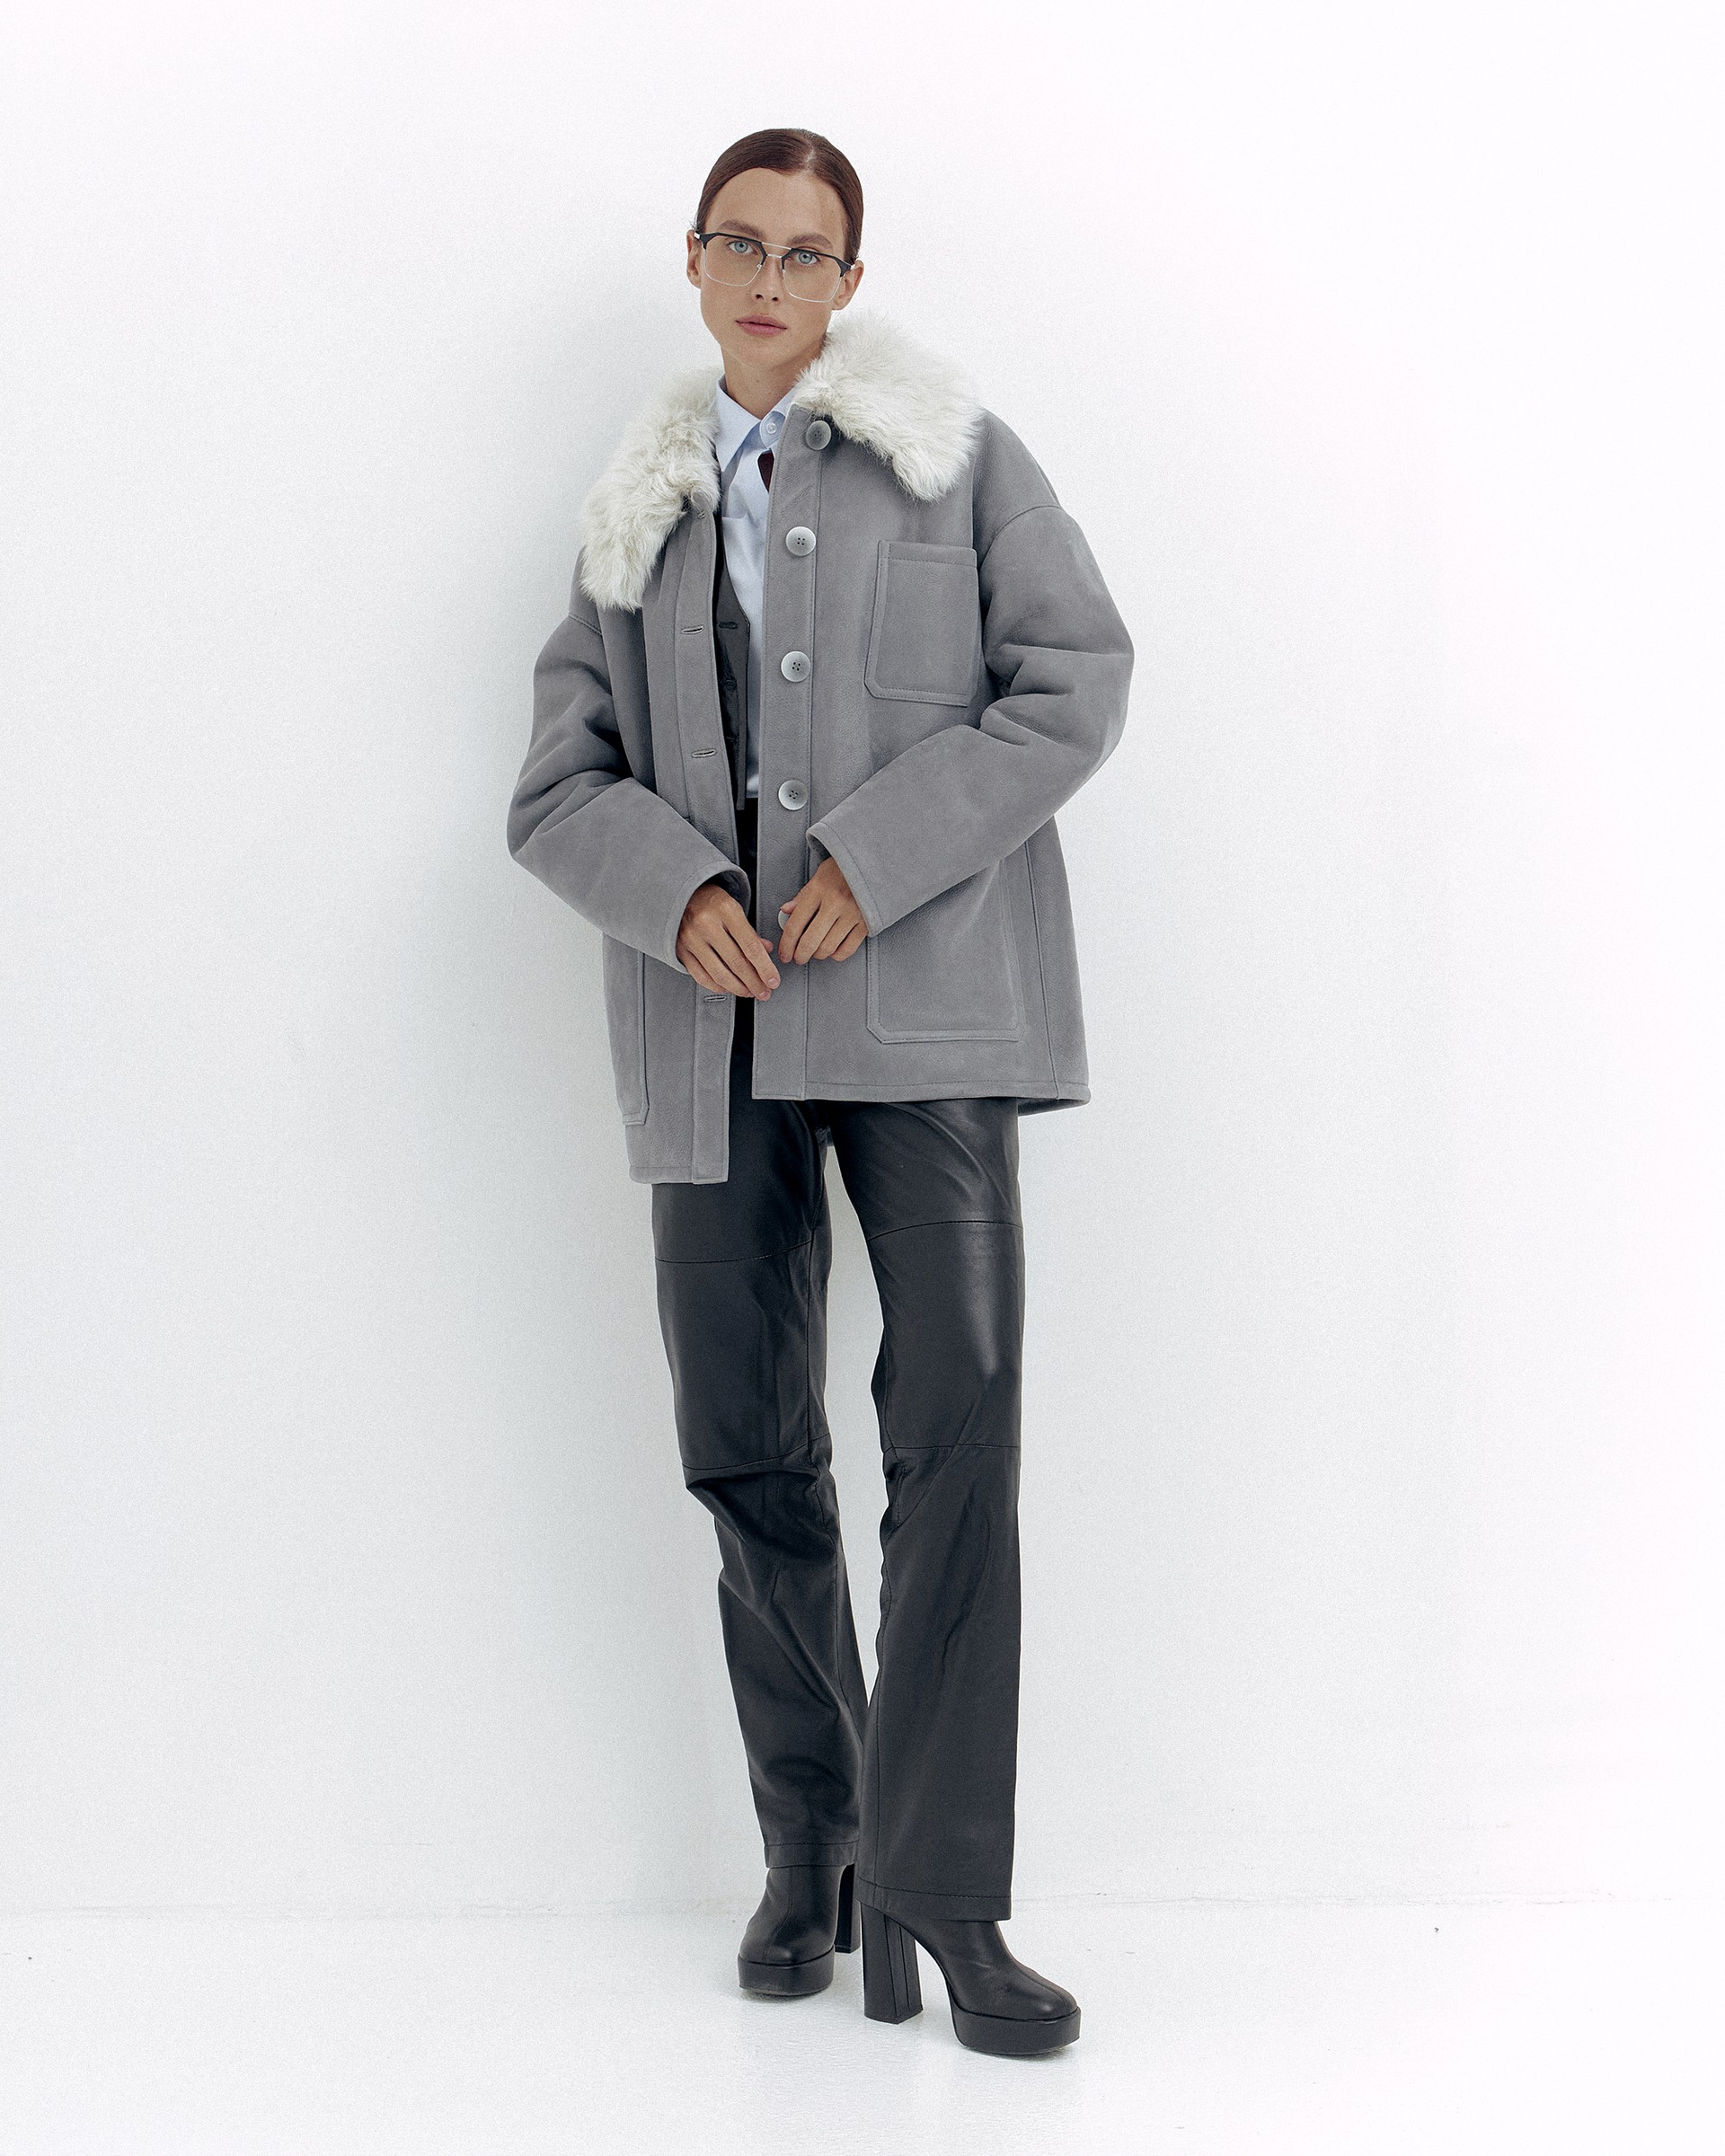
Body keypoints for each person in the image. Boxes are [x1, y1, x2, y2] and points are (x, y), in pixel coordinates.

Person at [507, 127, 1133, 2058]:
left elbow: (1074, 676)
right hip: (716, 1040)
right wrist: (679, 889)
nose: (773, 279)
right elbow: (556, 785)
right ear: (697, 263)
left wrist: (882, 849)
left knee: (958, 1436)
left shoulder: (958, 461)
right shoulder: (635, 513)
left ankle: (949, 1895)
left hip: (930, 1027)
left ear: (850, 282)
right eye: (744, 244)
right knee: (747, 1446)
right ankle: (819, 1845)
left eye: (809, 251)